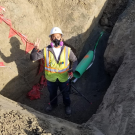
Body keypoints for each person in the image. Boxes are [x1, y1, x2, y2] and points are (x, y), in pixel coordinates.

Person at [30, 27, 77, 115]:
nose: (56, 39)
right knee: (52, 94)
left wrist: (72, 70)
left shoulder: (67, 50)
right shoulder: (46, 50)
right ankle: (53, 105)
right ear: (51, 39)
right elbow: (33, 58)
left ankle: (67, 105)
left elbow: (74, 60)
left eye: (58, 37)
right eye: (54, 37)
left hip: (64, 77)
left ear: (61, 38)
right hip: (51, 78)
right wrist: (35, 49)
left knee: (65, 94)